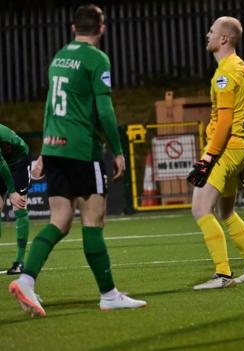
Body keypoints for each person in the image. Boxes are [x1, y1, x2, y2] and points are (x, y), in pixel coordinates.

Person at [9, 4, 146, 317]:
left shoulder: (59, 57)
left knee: (59, 220)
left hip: (55, 147)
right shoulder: (97, 59)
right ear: (102, 28)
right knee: (93, 219)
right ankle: (109, 295)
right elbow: (106, 110)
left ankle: (27, 279)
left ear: (73, 28)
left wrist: (44, 151)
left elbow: (50, 107)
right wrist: (118, 149)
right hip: (82, 149)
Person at [187, 16, 244, 290]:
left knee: (200, 208)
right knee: (227, 212)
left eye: (211, 31)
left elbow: (225, 122)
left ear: (223, 39)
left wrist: (208, 158)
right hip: (240, 149)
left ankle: (222, 274)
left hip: (225, 150)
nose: (207, 35)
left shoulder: (225, 73)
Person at [0, 124, 31, 275]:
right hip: (3, 162)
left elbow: (1, 164)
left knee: (19, 206)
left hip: (19, 162)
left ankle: (19, 262)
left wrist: (12, 191)